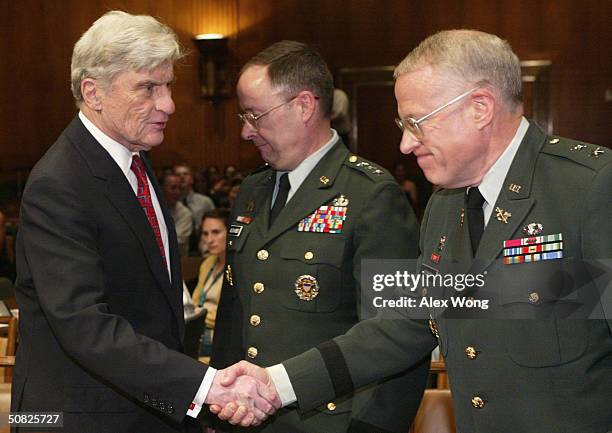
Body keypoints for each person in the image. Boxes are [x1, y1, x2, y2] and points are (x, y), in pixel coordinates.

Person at [214, 30, 612, 432]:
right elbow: (406, 322)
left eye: (416, 123)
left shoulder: (591, 187)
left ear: (479, 108)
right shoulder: (444, 206)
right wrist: (278, 383)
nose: (405, 144)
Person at [12, 11, 277, 433]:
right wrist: (204, 387)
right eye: (148, 87)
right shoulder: (59, 183)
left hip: (144, 410)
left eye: (168, 85)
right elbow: (85, 325)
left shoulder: (132, 158)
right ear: (93, 93)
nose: (168, 104)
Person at [210, 40, 427, 432]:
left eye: (256, 116)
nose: (245, 131)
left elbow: (399, 335)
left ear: (304, 106)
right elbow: (235, 312)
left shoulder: (371, 194)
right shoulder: (252, 191)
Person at [192, 210, 230, 358]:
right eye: (205, 234)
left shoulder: (238, 267)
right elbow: (195, 302)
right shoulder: (208, 263)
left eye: (216, 232)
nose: (209, 239)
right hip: (198, 327)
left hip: (216, 333)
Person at [174, 163, 216, 232]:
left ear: (192, 179)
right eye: (178, 175)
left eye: (185, 174)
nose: (182, 177)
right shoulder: (170, 204)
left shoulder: (205, 201)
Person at [161, 172, 193, 257]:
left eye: (180, 189)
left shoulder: (185, 213)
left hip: (180, 260)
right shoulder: (153, 208)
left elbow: (176, 241)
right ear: (161, 189)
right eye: (173, 188)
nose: (177, 192)